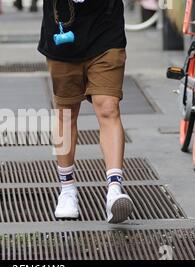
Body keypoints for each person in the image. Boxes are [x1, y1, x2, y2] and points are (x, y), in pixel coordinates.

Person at [38, 0, 134, 223]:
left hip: (106, 30)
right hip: (61, 31)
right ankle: (67, 189)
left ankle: (114, 189)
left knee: (108, 107)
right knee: (65, 112)